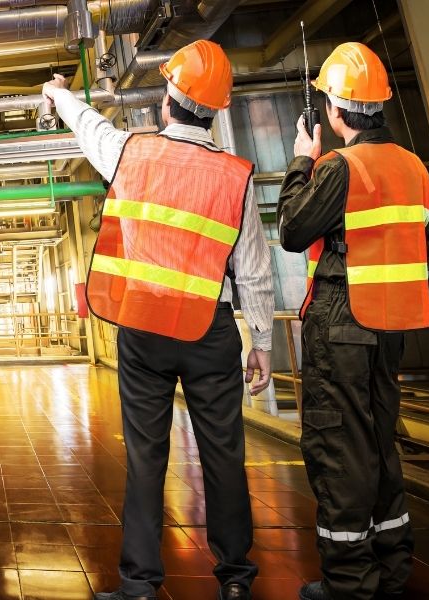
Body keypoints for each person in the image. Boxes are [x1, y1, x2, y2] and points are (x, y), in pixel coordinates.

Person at [42, 39, 274, 600]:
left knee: (147, 458)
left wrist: (59, 94)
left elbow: (88, 126)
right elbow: (255, 268)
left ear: (168, 98)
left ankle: (140, 585)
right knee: (223, 455)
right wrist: (260, 341)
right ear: (217, 109)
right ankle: (237, 580)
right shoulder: (235, 176)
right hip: (210, 331)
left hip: (144, 328)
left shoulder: (132, 152)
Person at [276, 42, 429, 600]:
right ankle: (392, 570)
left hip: (342, 321)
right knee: (379, 443)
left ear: (335, 112)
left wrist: (302, 159)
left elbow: (293, 230)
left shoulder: (342, 168)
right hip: (391, 326)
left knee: (339, 449)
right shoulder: (415, 169)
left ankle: (349, 584)